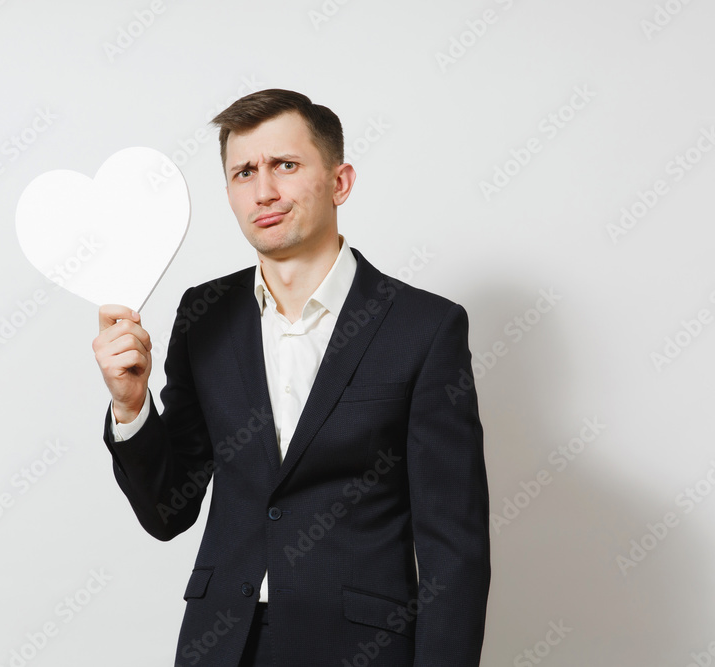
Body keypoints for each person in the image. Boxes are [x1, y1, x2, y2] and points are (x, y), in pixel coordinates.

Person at [93, 89, 490, 666]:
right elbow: (167, 513)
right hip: (222, 645)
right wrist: (131, 406)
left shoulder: (425, 327)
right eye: (244, 172)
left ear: (340, 181)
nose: (264, 191)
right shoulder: (203, 314)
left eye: (286, 165)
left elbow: (454, 547)